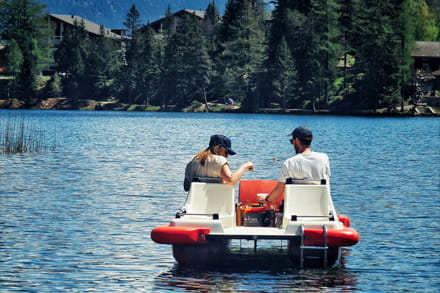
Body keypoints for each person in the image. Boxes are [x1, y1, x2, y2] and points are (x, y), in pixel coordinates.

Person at [258, 126, 330, 204]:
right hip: (320, 210)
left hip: (294, 213)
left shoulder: (289, 163)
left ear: (297, 140)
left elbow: (279, 190)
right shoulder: (324, 158)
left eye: (292, 141)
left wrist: (267, 199)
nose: (292, 143)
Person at [184, 134, 254, 191]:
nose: (226, 156)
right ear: (217, 148)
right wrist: (245, 166)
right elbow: (231, 180)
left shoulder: (192, 160)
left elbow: (186, 187)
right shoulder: (219, 160)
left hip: (195, 203)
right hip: (217, 203)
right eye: (226, 152)